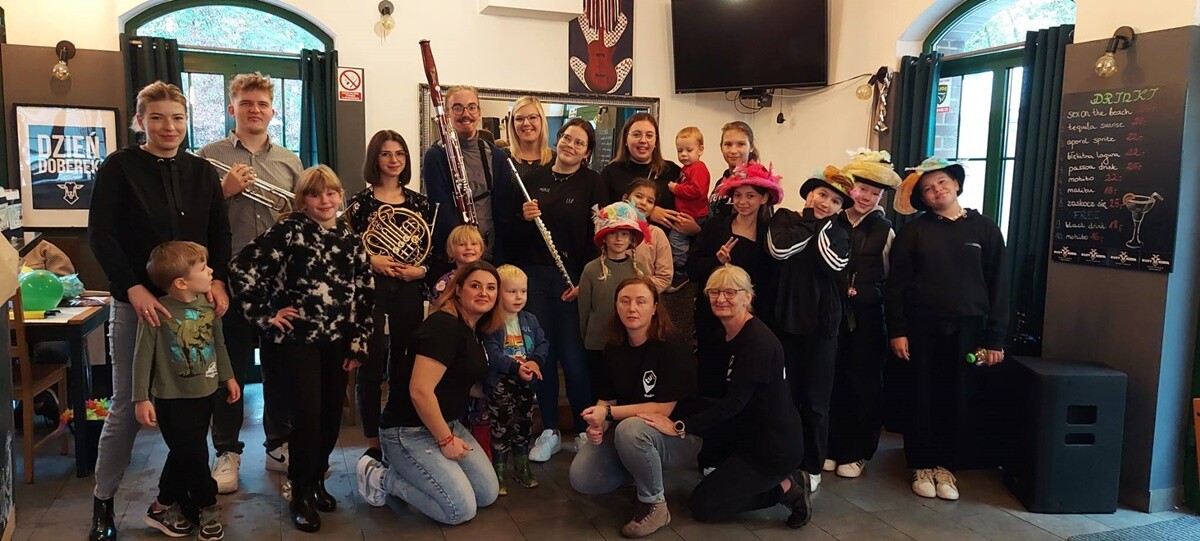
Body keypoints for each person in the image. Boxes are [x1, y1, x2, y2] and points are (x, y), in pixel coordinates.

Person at [87, 80, 232, 541]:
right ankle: (103, 501)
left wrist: (219, 282)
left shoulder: (202, 172)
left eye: (177, 118)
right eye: (157, 118)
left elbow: (220, 233)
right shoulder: (119, 167)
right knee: (127, 407)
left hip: (193, 307)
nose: (169, 127)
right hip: (139, 306)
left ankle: (174, 500)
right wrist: (133, 288)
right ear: (140, 121)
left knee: (192, 406)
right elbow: (101, 235)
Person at [229, 165, 373, 532]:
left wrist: (358, 341)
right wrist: (265, 315)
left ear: (341, 195)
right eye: (315, 194)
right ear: (302, 199)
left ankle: (317, 478)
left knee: (330, 416)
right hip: (295, 344)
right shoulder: (288, 231)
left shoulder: (350, 238)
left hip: (337, 342)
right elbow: (242, 268)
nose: (325, 200)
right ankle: (301, 491)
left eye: (331, 193)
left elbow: (364, 292)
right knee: (307, 417)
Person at [640, 265, 810, 529]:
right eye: (714, 292)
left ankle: (787, 487)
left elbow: (733, 404)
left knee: (703, 505)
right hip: (745, 433)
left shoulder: (758, 343)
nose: (721, 299)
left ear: (747, 297)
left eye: (730, 292)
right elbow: (712, 392)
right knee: (692, 405)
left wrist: (679, 426)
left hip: (771, 447)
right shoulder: (723, 334)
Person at [197, 71, 303, 495]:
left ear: (273, 112)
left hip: (279, 280)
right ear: (232, 109)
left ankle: (278, 444)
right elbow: (194, 217)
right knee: (231, 368)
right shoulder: (209, 156)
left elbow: (300, 217)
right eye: (246, 103)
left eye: (262, 104)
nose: (254, 110)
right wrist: (223, 191)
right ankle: (227, 451)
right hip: (230, 278)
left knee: (281, 366)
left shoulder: (290, 161)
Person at [885, 157, 1009, 501]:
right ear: (922, 199)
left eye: (941, 182)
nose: (936, 190)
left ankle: (946, 467)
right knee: (921, 396)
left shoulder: (984, 228)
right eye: (928, 188)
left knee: (958, 398)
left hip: (969, 329)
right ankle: (921, 465)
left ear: (956, 184)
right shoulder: (914, 232)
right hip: (920, 329)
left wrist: (995, 338)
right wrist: (897, 330)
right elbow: (896, 287)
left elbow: (999, 285)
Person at [357, 261, 503, 525]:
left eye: (491, 288)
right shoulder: (444, 327)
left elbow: (457, 380)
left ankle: (425, 471)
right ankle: (380, 476)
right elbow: (420, 391)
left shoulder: (472, 329)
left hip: (446, 422)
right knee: (459, 510)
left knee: (487, 493)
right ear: (458, 289)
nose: (484, 292)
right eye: (475, 286)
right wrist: (446, 441)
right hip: (408, 430)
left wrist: (500, 392)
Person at [569, 276, 700, 538]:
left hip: (681, 434)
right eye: (625, 301)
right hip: (633, 432)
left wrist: (608, 414)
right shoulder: (613, 347)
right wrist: (599, 423)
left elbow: (663, 409)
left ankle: (655, 504)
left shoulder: (672, 346)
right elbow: (607, 399)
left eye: (641, 301)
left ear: (654, 307)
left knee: (630, 430)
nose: (632, 308)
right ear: (616, 306)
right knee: (582, 476)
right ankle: (638, 474)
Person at [133, 241, 240, 541]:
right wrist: (141, 398)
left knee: (185, 453)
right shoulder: (157, 311)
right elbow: (142, 358)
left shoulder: (208, 306)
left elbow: (219, 344)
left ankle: (161, 505)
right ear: (181, 282)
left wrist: (229, 378)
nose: (211, 272)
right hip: (171, 398)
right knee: (194, 453)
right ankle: (208, 506)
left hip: (205, 393)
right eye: (204, 268)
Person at [514, 118, 606, 462]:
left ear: (587, 152)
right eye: (567, 138)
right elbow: (514, 234)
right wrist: (523, 218)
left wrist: (585, 281)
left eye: (579, 142)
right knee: (544, 354)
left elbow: (599, 236)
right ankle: (550, 430)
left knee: (573, 357)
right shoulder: (532, 179)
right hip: (536, 278)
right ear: (558, 139)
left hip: (573, 281)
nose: (570, 145)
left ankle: (583, 430)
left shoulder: (593, 183)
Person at [342, 130, 435, 462]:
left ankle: (397, 428)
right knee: (371, 363)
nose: (394, 160)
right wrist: (371, 260)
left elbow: (432, 253)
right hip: (372, 288)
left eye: (400, 154)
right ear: (375, 159)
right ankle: (372, 438)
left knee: (405, 360)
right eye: (385, 154)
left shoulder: (420, 203)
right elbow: (345, 250)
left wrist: (420, 271)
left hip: (408, 286)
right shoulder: (359, 203)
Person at [766, 165, 853, 492]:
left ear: (840, 208)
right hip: (784, 324)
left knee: (816, 402)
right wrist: (810, 223)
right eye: (821, 194)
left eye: (834, 201)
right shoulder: (784, 218)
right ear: (809, 194)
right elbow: (779, 250)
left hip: (823, 329)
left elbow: (834, 264)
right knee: (784, 398)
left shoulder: (839, 231)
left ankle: (812, 465)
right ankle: (783, 459)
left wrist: (822, 226)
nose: (825, 203)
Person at [686, 162, 781, 420]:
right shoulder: (716, 227)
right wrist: (716, 261)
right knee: (711, 374)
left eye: (750, 196)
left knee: (744, 380)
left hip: (751, 321)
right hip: (712, 317)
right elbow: (692, 268)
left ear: (764, 198)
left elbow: (771, 282)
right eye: (738, 195)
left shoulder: (769, 235)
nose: (743, 202)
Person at [826, 149, 899, 479]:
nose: (866, 197)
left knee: (863, 387)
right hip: (831, 317)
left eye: (875, 192)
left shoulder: (885, 230)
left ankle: (856, 452)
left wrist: (867, 293)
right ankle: (829, 446)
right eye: (861, 189)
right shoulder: (832, 220)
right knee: (831, 382)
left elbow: (891, 278)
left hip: (868, 322)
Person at [578, 201, 651, 439]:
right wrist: (587, 339)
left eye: (625, 234)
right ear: (604, 237)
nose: (619, 239)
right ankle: (596, 433)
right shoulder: (591, 270)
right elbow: (584, 310)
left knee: (627, 391)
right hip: (598, 344)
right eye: (613, 234)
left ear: (632, 239)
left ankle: (626, 435)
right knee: (600, 390)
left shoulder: (639, 270)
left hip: (628, 344)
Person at [423, 85, 517, 261]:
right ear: (447, 114)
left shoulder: (497, 156)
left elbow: (504, 213)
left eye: (472, 107)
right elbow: (441, 211)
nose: (466, 114)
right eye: (457, 108)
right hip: (453, 257)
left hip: (490, 256)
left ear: (479, 112)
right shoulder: (435, 156)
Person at [482, 265, 547, 495]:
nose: (519, 297)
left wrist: (535, 362)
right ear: (498, 293)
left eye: (523, 291)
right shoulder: (491, 323)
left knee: (524, 424)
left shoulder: (530, 319)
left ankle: (522, 467)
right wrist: (516, 367)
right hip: (501, 383)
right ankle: (498, 471)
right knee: (501, 426)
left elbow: (542, 344)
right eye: (512, 292)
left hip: (526, 382)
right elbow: (492, 354)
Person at [600, 113, 700, 237]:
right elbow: (602, 216)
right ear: (625, 139)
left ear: (656, 141)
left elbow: (696, 201)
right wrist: (648, 212)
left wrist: (696, 229)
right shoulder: (611, 172)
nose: (643, 140)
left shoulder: (672, 171)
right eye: (636, 134)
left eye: (649, 135)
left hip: (667, 245)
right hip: (623, 245)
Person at [666, 127, 710, 292]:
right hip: (687, 213)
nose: (684, 154)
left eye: (689, 150)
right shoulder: (687, 168)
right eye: (680, 151)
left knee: (676, 240)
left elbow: (697, 190)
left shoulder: (698, 168)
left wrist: (676, 188)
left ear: (701, 150)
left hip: (693, 214)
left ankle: (681, 269)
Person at [625, 179, 673, 293]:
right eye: (638, 196)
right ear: (625, 198)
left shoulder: (657, 234)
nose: (643, 203)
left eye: (650, 201)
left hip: (644, 296)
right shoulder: (610, 229)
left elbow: (665, 277)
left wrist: (638, 291)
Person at [706, 121, 760, 220]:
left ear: (751, 147)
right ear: (721, 147)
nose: (733, 151)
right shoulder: (721, 181)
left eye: (741, 144)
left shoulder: (758, 182)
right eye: (728, 144)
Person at [429, 225, 485, 302]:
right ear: (451, 251)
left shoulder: (489, 277)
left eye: (473, 244)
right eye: (462, 244)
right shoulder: (446, 281)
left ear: (481, 250)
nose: (469, 248)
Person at [506, 95, 554, 178]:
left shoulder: (556, 160)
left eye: (532, 117)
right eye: (519, 119)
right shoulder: (502, 157)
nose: (526, 123)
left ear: (542, 120)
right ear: (512, 123)